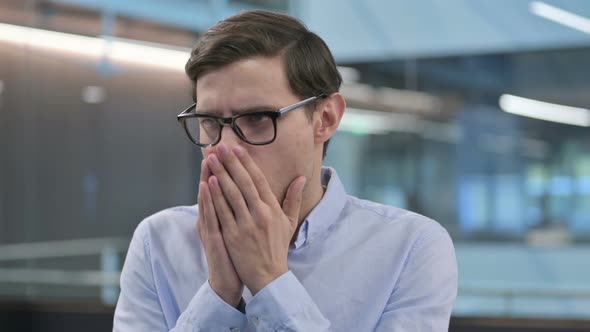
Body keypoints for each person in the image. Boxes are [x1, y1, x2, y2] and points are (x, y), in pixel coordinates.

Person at [113, 10, 457, 332]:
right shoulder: (158, 242)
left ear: (325, 119)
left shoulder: (411, 248)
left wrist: (269, 281)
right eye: (210, 122)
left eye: (258, 118)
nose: (225, 148)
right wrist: (219, 294)